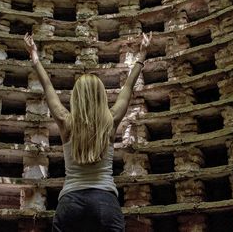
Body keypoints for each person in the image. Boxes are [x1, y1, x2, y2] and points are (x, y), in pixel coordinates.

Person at [24, 32, 152, 232]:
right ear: (101, 96)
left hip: (70, 203)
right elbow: (127, 89)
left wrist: (35, 58)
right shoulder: (109, 122)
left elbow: (48, 87)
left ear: (76, 97)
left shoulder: (66, 123)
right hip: (105, 204)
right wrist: (141, 57)